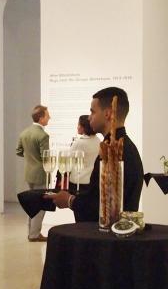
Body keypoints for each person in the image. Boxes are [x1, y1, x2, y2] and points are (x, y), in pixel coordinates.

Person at [48, 87, 143, 219]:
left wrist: (70, 200)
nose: (89, 117)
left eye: (92, 112)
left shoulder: (114, 151)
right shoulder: (126, 147)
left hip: (107, 236)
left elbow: (104, 206)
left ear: (108, 114)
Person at [16, 105, 51, 241]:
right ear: (41, 118)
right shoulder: (43, 135)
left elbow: (18, 151)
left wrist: (30, 158)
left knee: (31, 204)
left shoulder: (24, 133)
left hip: (28, 173)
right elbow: (46, 158)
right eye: (47, 116)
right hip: (40, 174)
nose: (49, 118)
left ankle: (31, 233)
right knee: (40, 206)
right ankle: (35, 234)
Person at [69, 114, 99, 189]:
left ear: (84, 127)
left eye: (79, 124)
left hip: (78, 182)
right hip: (91, 182)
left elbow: (68, 159)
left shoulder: (79, 142)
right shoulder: (99, 141)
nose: (77, 127)